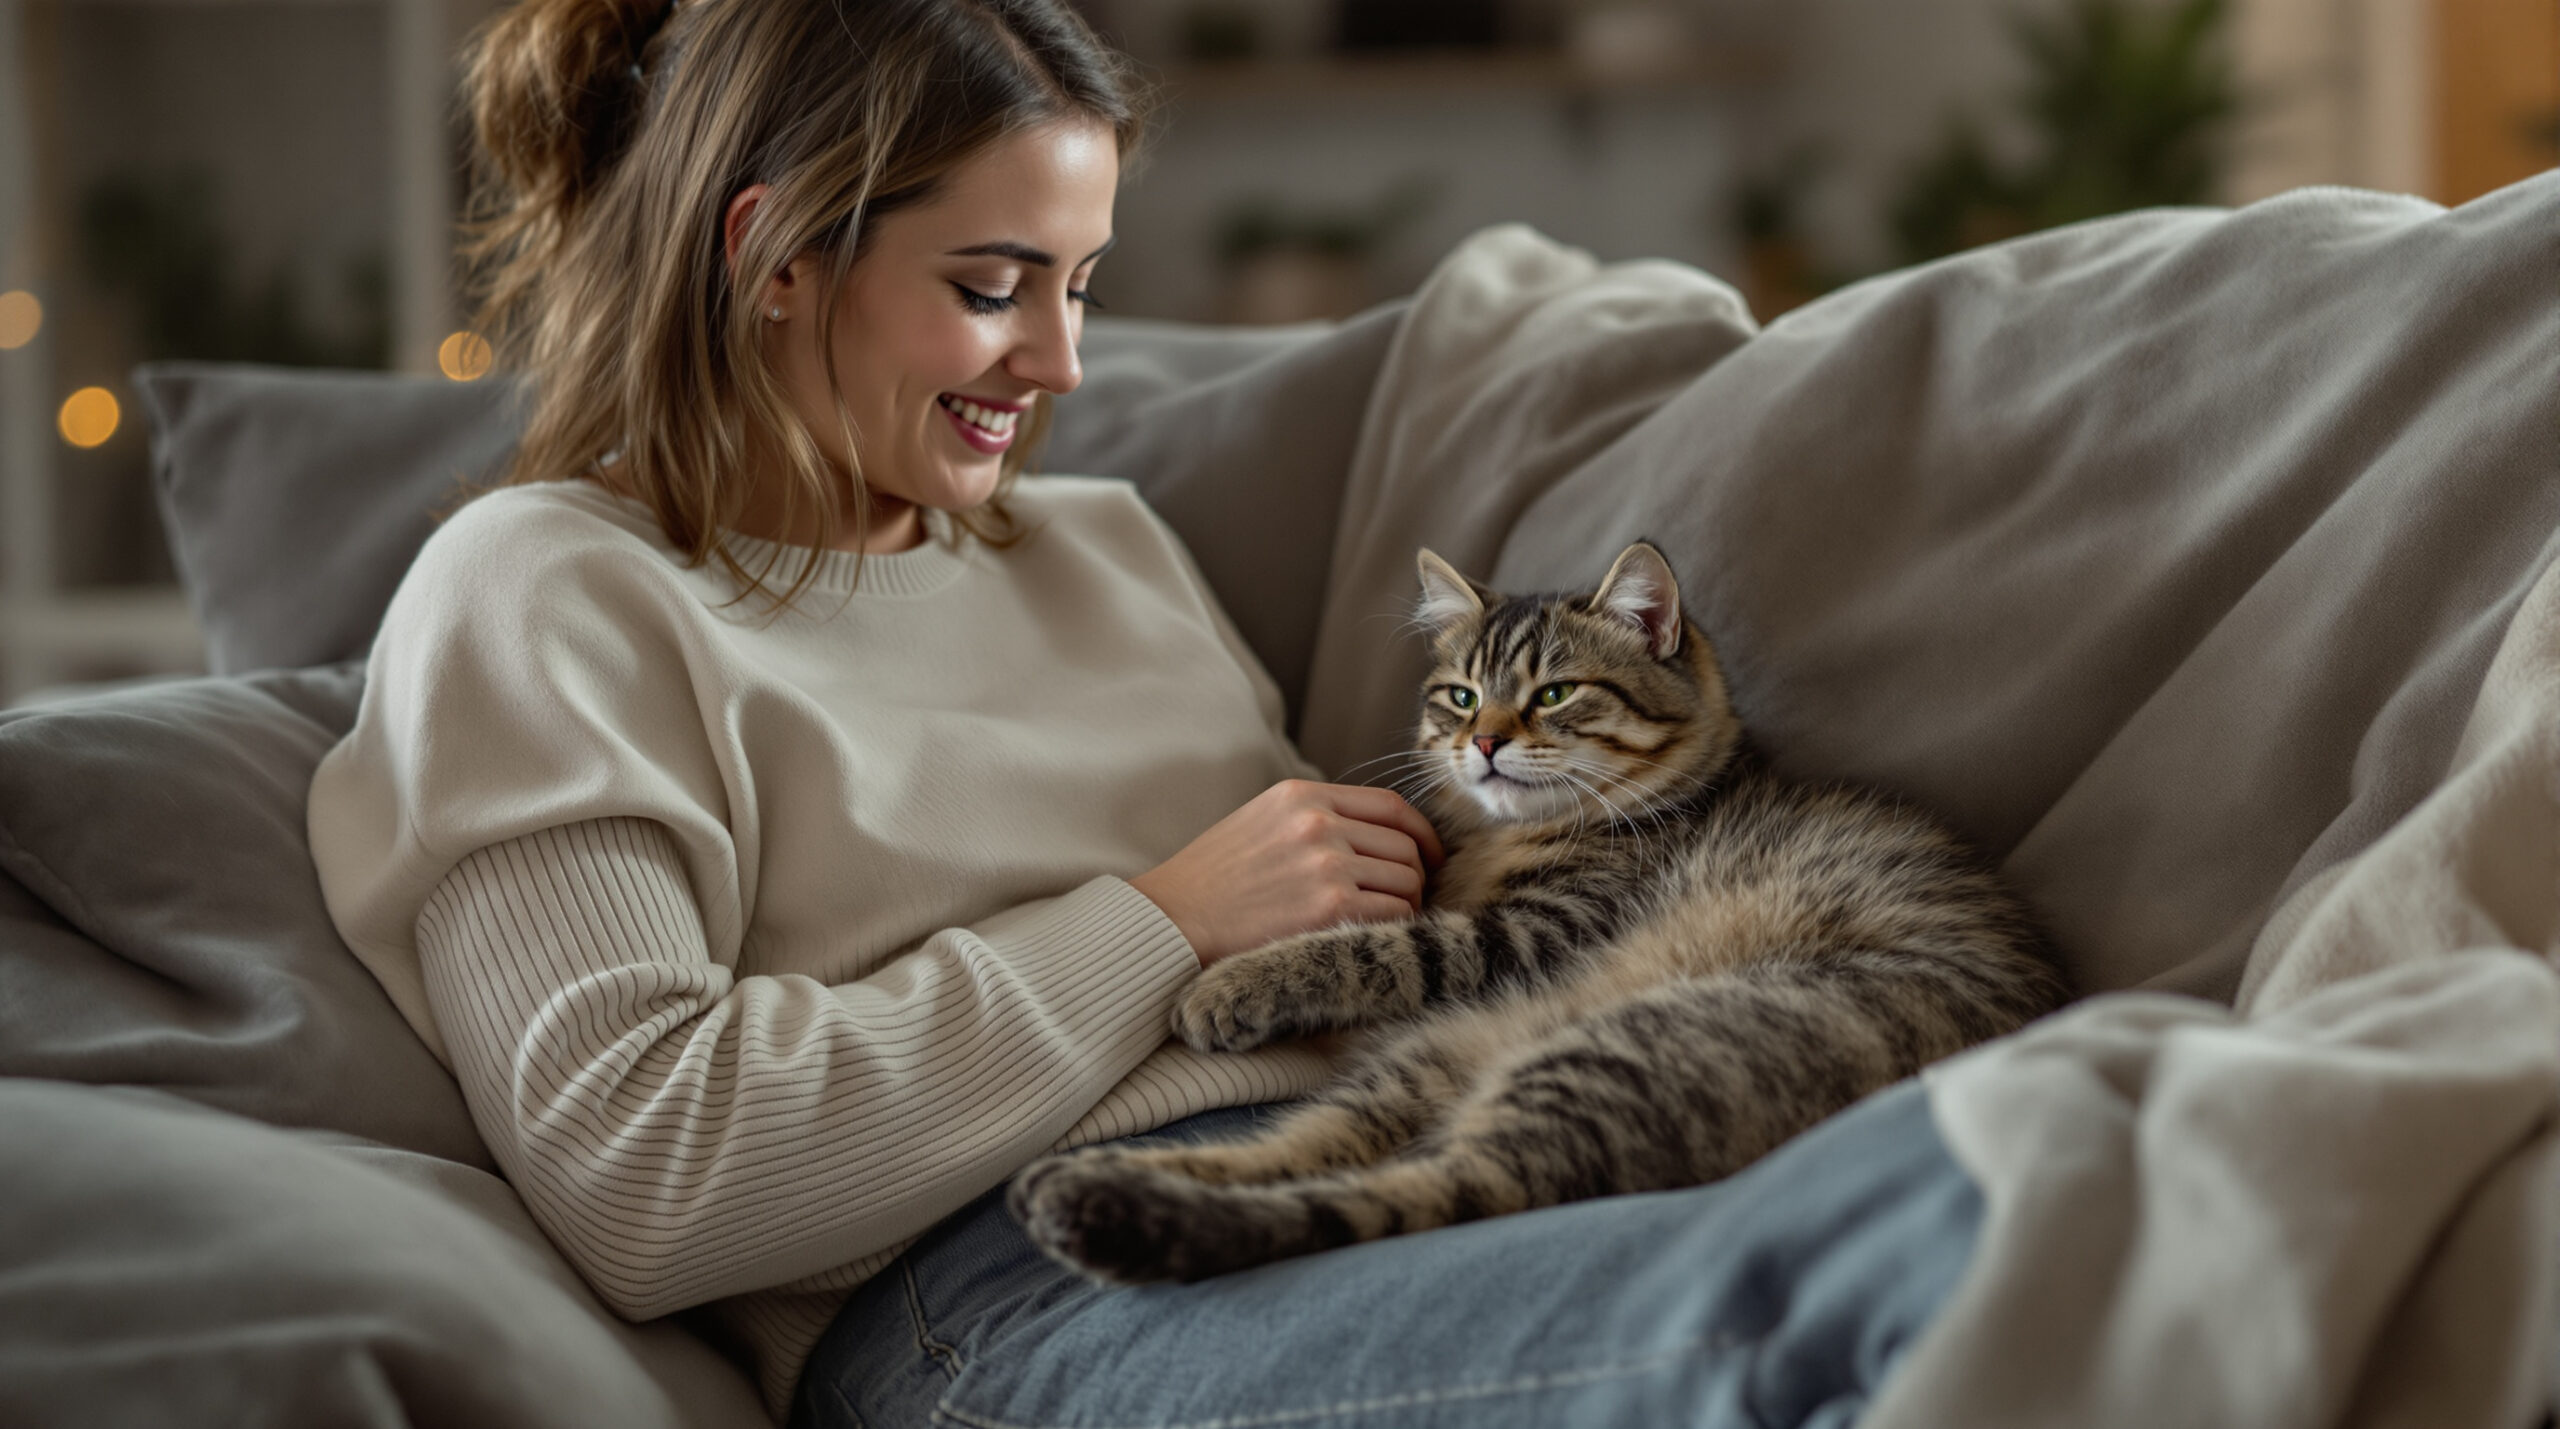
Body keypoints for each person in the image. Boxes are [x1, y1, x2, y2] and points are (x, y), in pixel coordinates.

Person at [307, 2, 1981, 1425]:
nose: (1061, 364)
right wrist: (1164, 919)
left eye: (1082, 287)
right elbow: (649, 1180)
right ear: (776, 258)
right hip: (1027, 1277)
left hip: (1430, 1131)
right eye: (994, 285)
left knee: (2002, 1212)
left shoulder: (1102, 544)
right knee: (1867, 1322)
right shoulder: (544, 587)